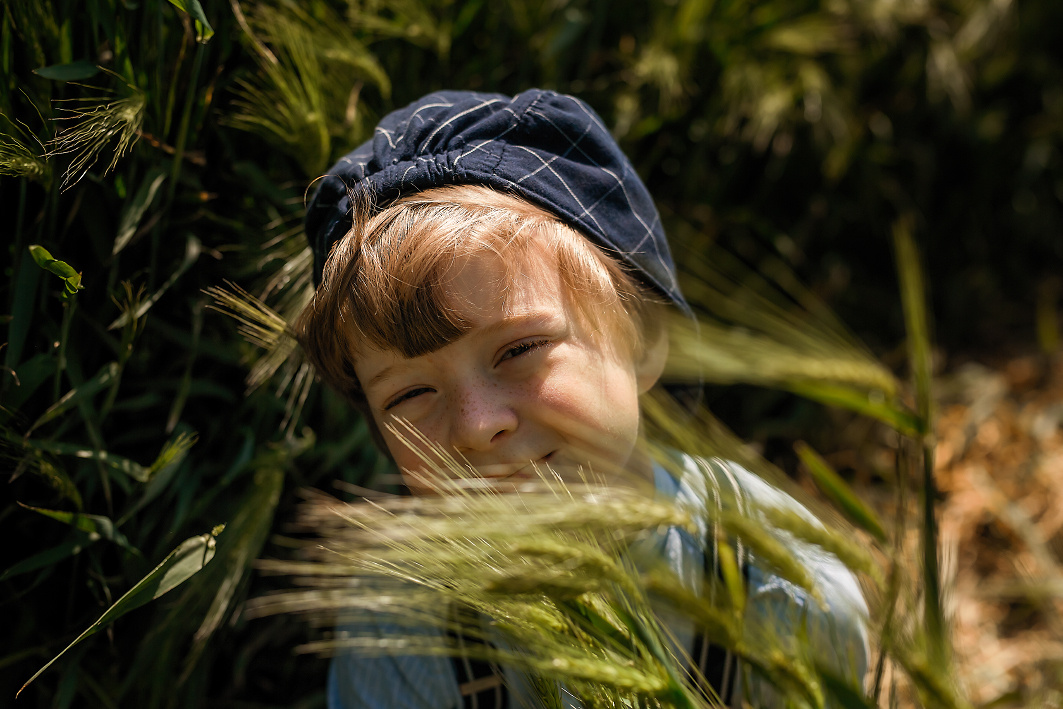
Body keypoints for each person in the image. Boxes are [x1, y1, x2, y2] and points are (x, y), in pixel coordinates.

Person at [295, 89, 869, 708]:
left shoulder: (780, 588)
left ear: (644, 338)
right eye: (409, 393)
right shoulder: (402, 626)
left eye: (518, 350)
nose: (476, 427)